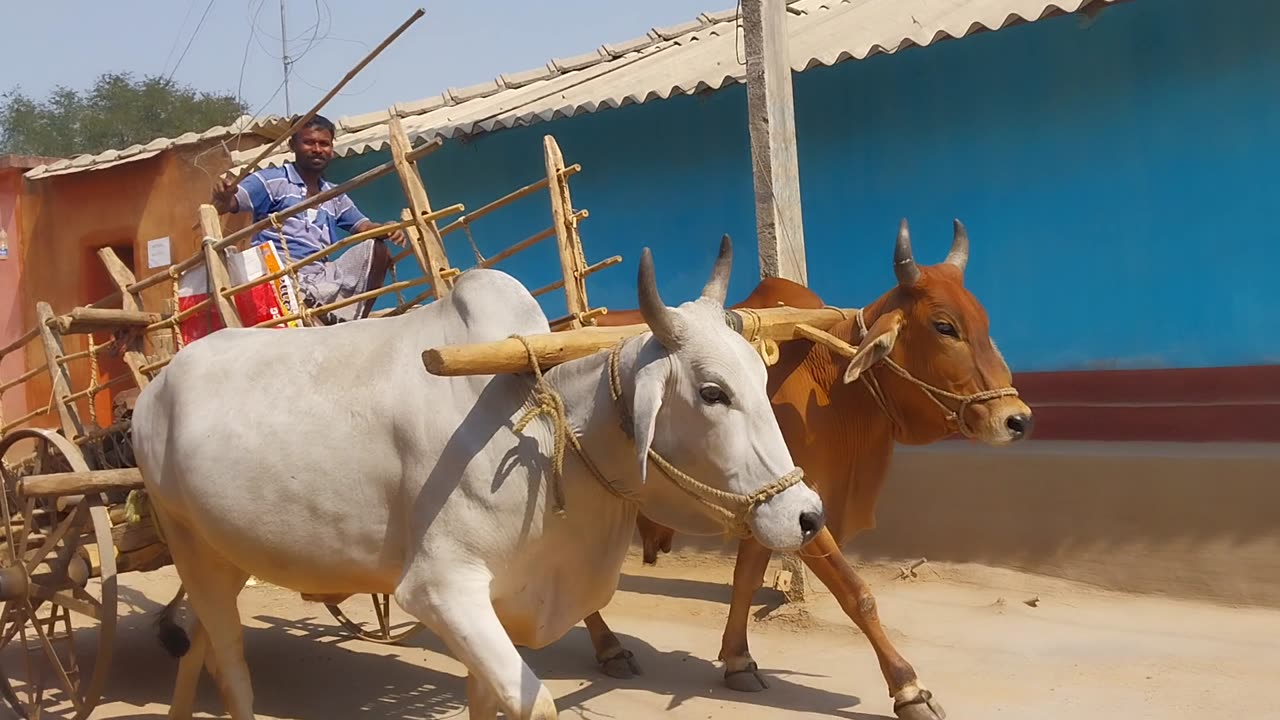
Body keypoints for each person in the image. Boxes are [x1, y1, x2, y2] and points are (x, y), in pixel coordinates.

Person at [211, 114, 406, 324]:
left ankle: (350, 320)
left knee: (377, 249)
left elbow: (363, 226)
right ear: (292, 144)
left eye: (324, 144)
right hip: (280, 278)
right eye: (309, 142)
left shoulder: (334, 195)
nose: (317, 149)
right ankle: (318, 309)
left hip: (321, 281)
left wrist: (385, 228)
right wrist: (223, 195)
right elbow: (226, 205)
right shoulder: (272, 180)